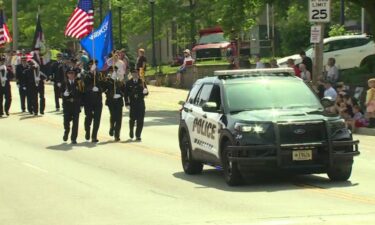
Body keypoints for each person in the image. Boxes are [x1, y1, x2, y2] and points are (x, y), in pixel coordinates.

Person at [82, 60, 105, 143]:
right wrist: (92, 87)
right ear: (89, 66)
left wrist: (99, 89)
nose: (94, 66)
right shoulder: (86, 75)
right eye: (92, 65)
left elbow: (103, 86)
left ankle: (94, 136)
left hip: (98, 100)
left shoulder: (99, 75)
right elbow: (84, 86)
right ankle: (87, 130)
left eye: (95, 65)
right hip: (88, 100)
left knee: (97, 119)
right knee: (88, 117)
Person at [124, 69, 149, 141]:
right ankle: (131, 130)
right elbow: (125, 94)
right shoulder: (128, 83)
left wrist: (146, 92)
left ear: (138, 74)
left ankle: (138, 135)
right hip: (133, 103)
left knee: (140, 120)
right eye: (133, 73)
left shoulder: (142, 82)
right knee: (132, 119)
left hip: (140, 103)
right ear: (131, 74)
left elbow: (147, 93)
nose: (135, 75)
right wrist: (127, 103)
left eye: (136, 73)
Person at [62, 68, 84, 144]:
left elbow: (81, 94)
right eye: (69, 73)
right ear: (67, 75)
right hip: (67, 105)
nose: (71, 75)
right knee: (66, 121)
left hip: (76, 105)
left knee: (75, 122)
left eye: (72, 74)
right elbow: (59, 93)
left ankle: (73, 138)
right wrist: (64, 95)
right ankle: (66, 131)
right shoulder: (64, 83)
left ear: (74, 75)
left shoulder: (78, 83)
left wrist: (81, 104)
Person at [103, 66, 126, 141]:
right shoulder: (107, 80)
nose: (114, 72)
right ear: (109, 72)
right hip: (111, 102)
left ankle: (117, 135)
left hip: (119, 101)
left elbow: (124, 90)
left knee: (119, 118)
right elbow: (105, 90)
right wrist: (112, 95)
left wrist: (121, 95)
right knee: (113, 116)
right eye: (112, 71)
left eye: (115, 71)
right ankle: (112, 127)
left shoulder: (119, 80)